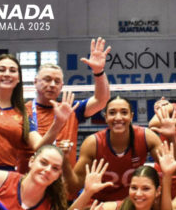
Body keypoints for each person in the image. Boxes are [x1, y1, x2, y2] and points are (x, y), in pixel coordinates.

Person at [16, 38, 111, 172]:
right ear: (35, 82)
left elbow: (101, 100)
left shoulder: (69, 109)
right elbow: (38, 147)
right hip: (31, 179)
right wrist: (59, 123)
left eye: (57, 81)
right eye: (47, 79)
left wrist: (99, 71)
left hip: (64, 181)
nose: (52, 85)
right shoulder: (22, 111)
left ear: (62, 86)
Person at [68, 96, 176, 201]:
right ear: (106, 117)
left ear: (131, 117)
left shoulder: (146, 137)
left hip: (132, 203)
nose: (118, 117)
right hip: (98, 204)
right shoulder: (93, 143)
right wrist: (65, 160)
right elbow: (73, 187)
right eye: (112, 113)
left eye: (124, 112)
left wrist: (172, 137)